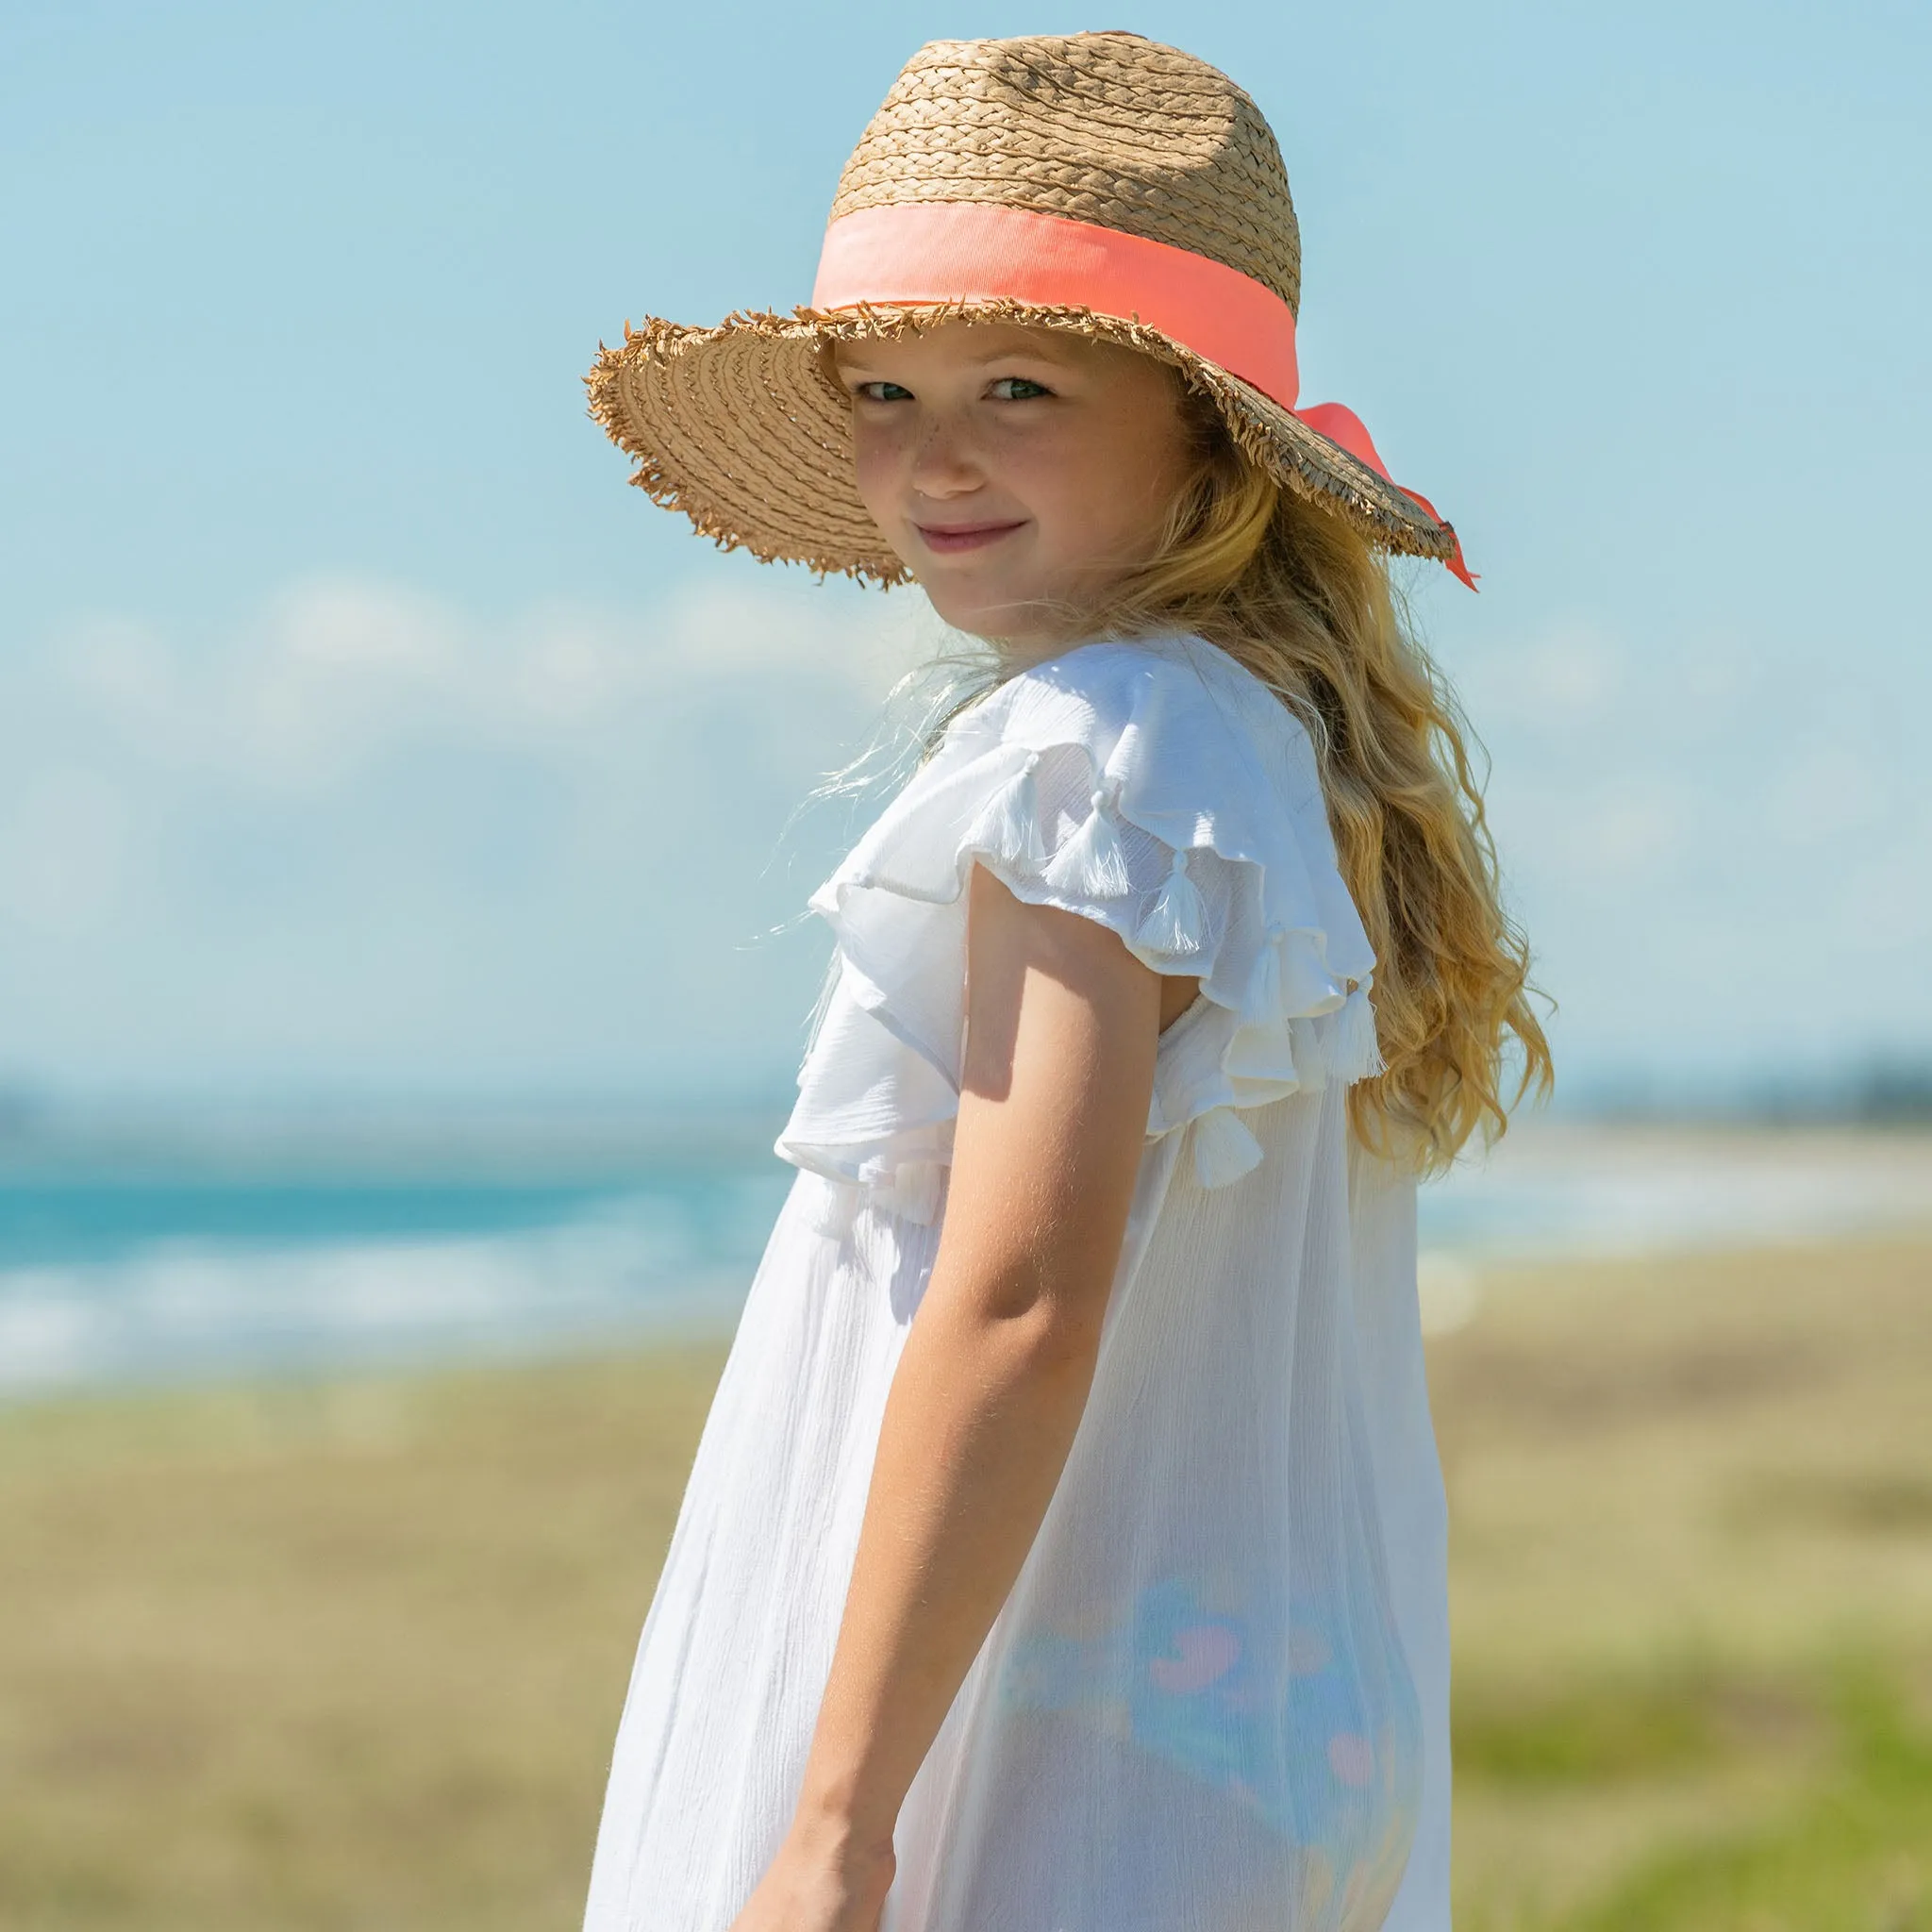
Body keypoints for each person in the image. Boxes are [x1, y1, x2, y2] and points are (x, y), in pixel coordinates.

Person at [578, 31, 1547, 1932]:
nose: (929, 454)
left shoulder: (1092, 752)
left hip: (1042, 1748)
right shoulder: (1267, 750)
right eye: (883, 390)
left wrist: (836, 1819)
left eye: (1017, 385)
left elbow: (1018, 1295)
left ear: (1201, 429)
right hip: (1248, 1709)